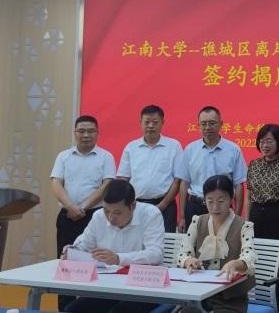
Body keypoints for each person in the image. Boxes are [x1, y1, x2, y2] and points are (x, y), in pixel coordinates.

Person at [63, 178, 165, 313]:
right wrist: (72, 251)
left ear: (133, 205)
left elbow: (155, 254)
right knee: (72, 310)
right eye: (106, 211)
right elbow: (83, 244)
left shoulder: (151, 214)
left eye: (117, 212)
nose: (111, 217)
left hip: (144, 288)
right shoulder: (98, 216)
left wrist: (118, 258)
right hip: (108, 287)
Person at [50, 114, 116, 311]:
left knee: (95, 263)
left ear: (97, 133)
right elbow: (56, 183)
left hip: (95, 217)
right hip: (67, 216)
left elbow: (107, 185)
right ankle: (65, 308)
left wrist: (84, 207)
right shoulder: (64, 156)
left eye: (90, 131)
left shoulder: (106, 157)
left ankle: (90, 307)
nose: (86, 135)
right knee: (66, 262)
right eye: (81, 131)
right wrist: (70, 207)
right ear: (75, 133)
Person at [174, 174, 257, 313]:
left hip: (231, 298)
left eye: (221, 201)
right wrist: (189, 260)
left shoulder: (244, 226)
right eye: (210, 201)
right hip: (199, 294)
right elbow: (183, 252)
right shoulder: (197, 221)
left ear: (231, 199)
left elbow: (249, 255)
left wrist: (236, 263)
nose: (215, 207)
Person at [244, 123, 279, 306]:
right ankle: (259, 306)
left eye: (269, 141)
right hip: (256, 218)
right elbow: (249, 197)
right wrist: (246, 223)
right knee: (256, 266)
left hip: (278, 218)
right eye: (261, 141)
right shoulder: (253, 165)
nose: (265, 145)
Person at [177, 106, 247, 232]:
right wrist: (182, 216)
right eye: (203, 124)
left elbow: (238, 185)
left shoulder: (233, 150)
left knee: (223, 243)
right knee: (193, 243)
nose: (207, 127)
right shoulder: (190, 150)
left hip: (223, 208)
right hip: (195, 206)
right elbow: (184, 184)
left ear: (221, 124)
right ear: (198, 125)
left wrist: (236, 216)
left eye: (212, 123)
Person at [117, 104, 183, 232]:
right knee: (135, 241)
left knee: (165, 241)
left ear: (163, 122)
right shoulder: (131, 147)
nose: (150, 126)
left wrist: (163, 205)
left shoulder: (174, 146)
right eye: (146, 122)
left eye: (155, 122)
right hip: (136, 206)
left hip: (165, 206)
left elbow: (177, 180)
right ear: (140, 123)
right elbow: (123, 179)